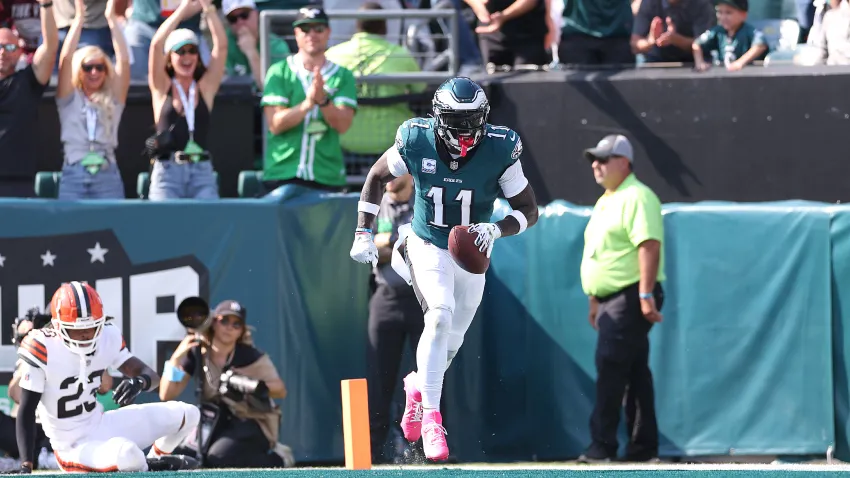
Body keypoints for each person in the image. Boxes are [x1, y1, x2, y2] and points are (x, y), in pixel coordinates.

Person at [349, 77, 539, 461]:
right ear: (439, 117)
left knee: (450, 344)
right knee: (438, 316)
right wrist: (362, 232)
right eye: (457, 121)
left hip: (472, 255)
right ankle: (433, 419)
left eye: (472, 122)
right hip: (425, 243)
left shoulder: (500, 147)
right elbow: (376, 176)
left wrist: (495, 229)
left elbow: (529, 211)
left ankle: (417, 387)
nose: (466, 132)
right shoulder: (416, 138)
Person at [12, 281, 202, 473]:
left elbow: (151, 376)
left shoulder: (107, 336)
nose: (86, 334)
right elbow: (26, 410)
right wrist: (26, 465)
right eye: (77, 329)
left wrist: (139, 382)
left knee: (189, 414)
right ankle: (154, 466)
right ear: (58, 326)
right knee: (127, 454)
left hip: (101, 424)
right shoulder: (42, 345)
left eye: (92, 327)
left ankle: (154, 461)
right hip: (72, 447)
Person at [578, 134, 665, 463]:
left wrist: (644, 294)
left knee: (611, 366)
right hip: (611, 299)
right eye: (593, 159)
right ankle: (643, 449)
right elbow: (599, 255)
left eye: (604, 158)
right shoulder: (606, 200)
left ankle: (602, 447)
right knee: (634, 371)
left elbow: (649, 245)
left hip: (630, 295)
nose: (596, 165)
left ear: (625, 162)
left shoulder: (638, 196)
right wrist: (594, 300)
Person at [159, 300, 293, 468]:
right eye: (224, 321)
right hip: (213, 419)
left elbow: (280, 390)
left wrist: (247, 383)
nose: (229, 327)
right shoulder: (198, 353)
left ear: (241, 331)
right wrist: (175, 359)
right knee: (188, 455)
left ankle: (279, 459)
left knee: (220, 458)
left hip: (251, 420)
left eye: (236, 324)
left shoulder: (250, 356)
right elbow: (166, 394)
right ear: (214, 322)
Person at [260, 6, 358, 193]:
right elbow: (275, 123)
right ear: (296, 33)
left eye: (318, 29)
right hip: (283, 173)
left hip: (327, 174)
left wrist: (323, 101)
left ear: (328, 32)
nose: (312, 34)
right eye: (305, 29)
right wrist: (308, 104)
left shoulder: (343, 75)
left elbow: (343, 124)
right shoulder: (279, 71)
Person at [365, 173, 426, 464]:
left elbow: (427, 247)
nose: (387, 178)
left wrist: (389, 245)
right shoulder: (375, 204)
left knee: (428, 376)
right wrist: (397, 243)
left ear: (411, 176)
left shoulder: (426, 201)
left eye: (394, 172)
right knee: (379, 379)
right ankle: (373, 454)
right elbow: (369, 248)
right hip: (385, 298)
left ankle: (426, 452)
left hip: (422, 300)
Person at [146, 0, 227, 200]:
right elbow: (156, 45)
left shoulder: (204, 88)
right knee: (163, 228)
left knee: (208, 227)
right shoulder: (161, 87)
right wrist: (182, 10)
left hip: (201, 171)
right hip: (167, 171)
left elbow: (222, 46)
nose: (187, 56)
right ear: (169, 58)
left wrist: (208, 8)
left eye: (192, 51)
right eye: (180, 51)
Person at [55, 0, 130, 200]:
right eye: (87, 67)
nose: (94, 72)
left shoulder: (112, 98)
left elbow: (123, 61)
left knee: (112, 227)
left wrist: (111, 20)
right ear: (79, 71)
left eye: (100, 67)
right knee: (70, 230)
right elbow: (65, 59)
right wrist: (79, 20)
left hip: (107, 173)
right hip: (74, 172)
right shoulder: (69, 98)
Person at [0, 0, 57, 198]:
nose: (2, 53)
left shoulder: (27, 82)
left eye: (9, 47)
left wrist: (47, 5)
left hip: (19, 184)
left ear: (19, 53)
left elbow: (50, 48)